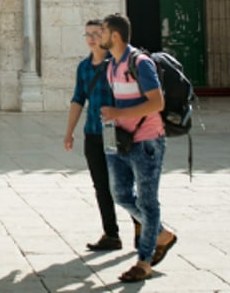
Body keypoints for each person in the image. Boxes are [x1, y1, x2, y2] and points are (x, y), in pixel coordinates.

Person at [98, 14, 176, 284]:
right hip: (122, 140)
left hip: (147, 141)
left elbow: (157, 103)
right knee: (120, 194)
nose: (99, 37)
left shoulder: (140, 63)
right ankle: (162, 234)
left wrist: (118, 111)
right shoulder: (112, 66)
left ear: (115, 36)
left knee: (147, 202)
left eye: (103, 32)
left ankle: (144, 262)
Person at [64, 19, 124, 251]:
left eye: (96, 34)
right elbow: (78, 99)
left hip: (117, 133)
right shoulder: (84, 67)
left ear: (106, 36)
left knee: (122, 185)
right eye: (87, 34)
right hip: (93, 133)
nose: (91, 38)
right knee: (101, 185)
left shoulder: (117, 65)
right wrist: (69, 132)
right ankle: (111, 234)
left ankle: (142, 231)